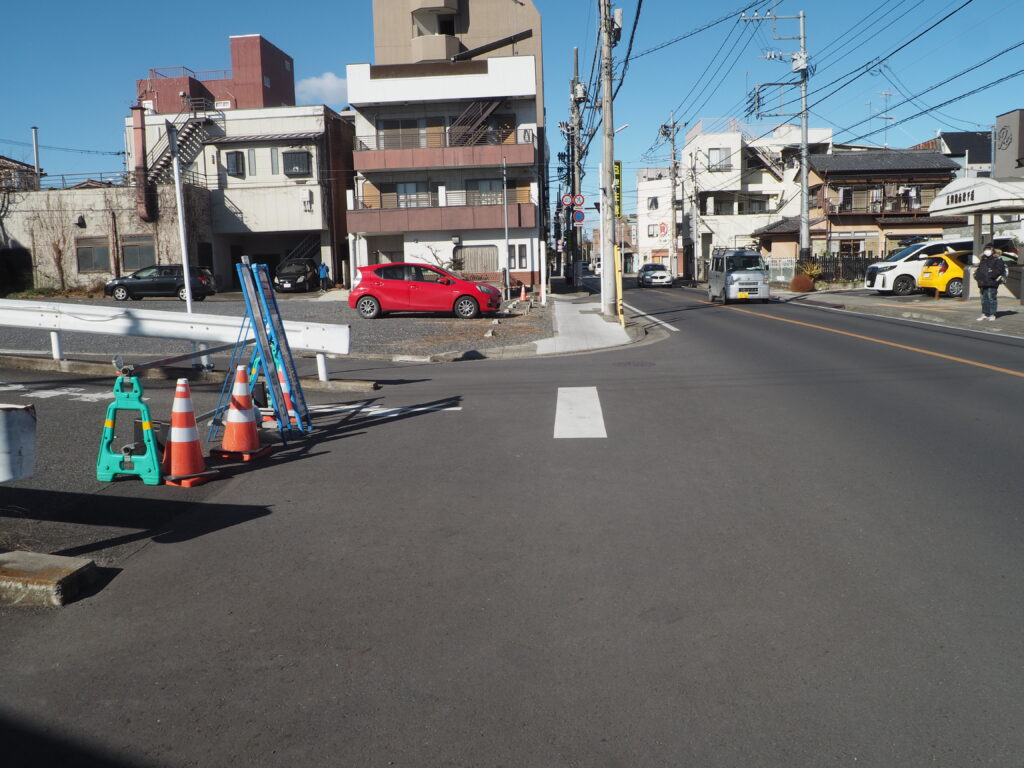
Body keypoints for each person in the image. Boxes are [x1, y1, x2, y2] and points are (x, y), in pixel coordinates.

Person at [974, 242, 1008, 321]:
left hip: (992, 282)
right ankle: (985, 314)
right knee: (983, 299)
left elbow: (999, 270)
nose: (987, 251)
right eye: (986, 249)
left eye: (989, 249)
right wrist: (978, 277)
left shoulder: (997, 259)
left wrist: (991, 275)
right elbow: (979, 269)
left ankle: (992, 314)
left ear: (993, 250)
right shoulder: (983, 259)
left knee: (991, 298)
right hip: (982, 282)